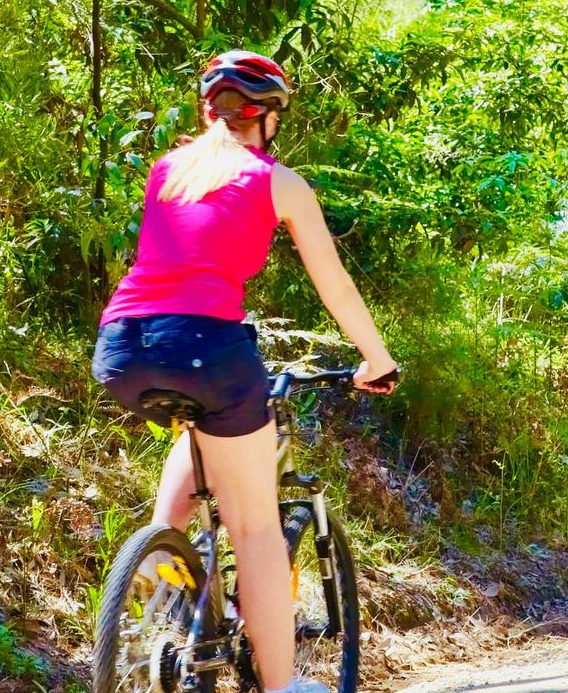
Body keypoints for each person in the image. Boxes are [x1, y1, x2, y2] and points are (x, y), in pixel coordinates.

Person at [91, 50, 398, 693]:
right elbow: (335, 288)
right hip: (209, 346)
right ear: (269, 118)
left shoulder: (168, 170)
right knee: (256, 525)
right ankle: (282, 687)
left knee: (192, 434)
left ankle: (158, 577)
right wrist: (378, 359)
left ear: (210, 112)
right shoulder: (276, 181)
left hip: (120, 345)